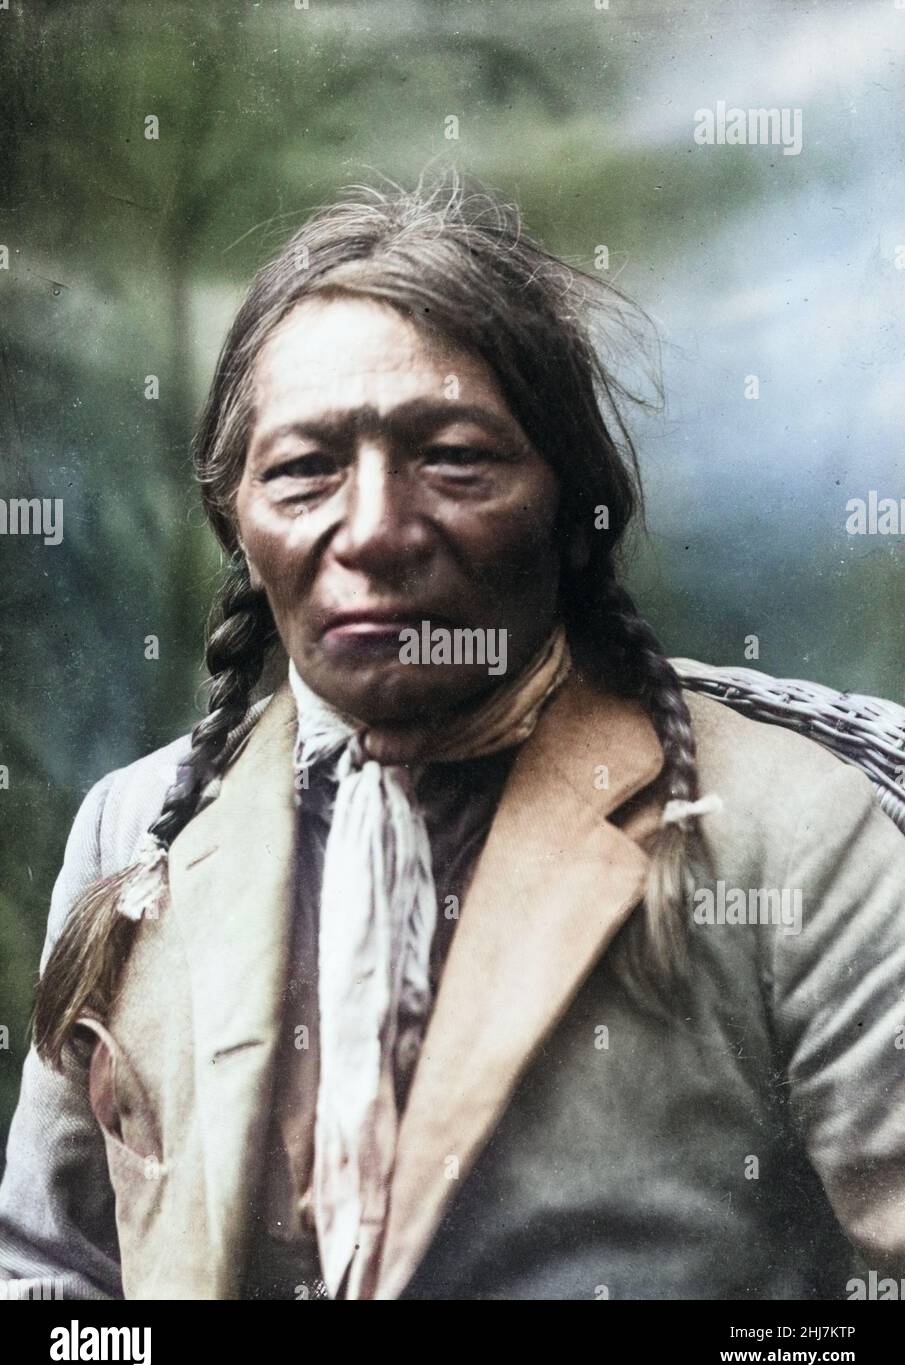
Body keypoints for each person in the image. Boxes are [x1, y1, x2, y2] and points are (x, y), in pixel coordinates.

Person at [2, 172, 904, 1301]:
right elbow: (50, 1281)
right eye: (303, 471)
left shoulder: (783, 833)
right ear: (237, 520)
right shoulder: (136, 834)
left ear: (570, 512)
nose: (373, 530)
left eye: (455, 459)